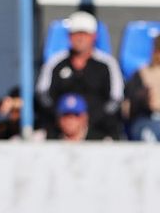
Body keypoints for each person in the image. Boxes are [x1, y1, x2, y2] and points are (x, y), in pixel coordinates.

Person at [35, 11, 124, 140]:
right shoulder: (55, 62)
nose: (80, 38)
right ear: (69, 36)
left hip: (98, 129)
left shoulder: (107, 64)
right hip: (58, 128)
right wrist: (64, 119)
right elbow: (43, 95)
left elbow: (116, 98)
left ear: (94, 36)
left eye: (85, 34)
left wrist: (87, 120)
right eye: (76, 34)